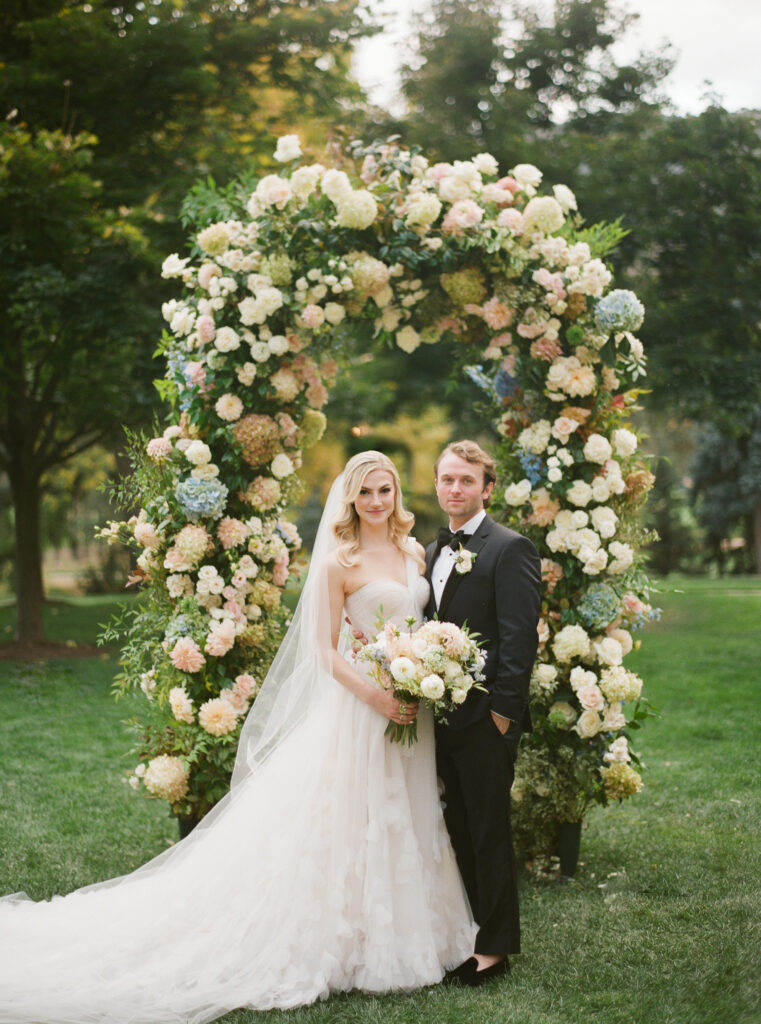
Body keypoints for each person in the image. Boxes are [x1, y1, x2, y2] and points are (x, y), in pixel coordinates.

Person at [0, 451, 475, 1024]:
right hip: (360, 706)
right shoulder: (338, 563)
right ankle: (348, 943)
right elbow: (325, 651)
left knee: (406, 813)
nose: (377, 502)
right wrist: (377, 695)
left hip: (411, 707)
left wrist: (423, 674)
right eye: (366, 492)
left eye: (385, 490)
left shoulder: (412, 551)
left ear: (397, 494)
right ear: (350, 498)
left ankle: (411, 935)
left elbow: (417, 627)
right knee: (356, 817)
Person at [426, 440, 541, 987]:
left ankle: (495, 949)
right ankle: (466, 933)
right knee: (455, 827)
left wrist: (503, 715)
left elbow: (520, 639)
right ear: (437, 484)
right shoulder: (430, 551)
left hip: (485, 719)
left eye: (466, 481)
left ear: (487, 488)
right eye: (448, 479)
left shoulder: (510, 548)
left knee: (488, 830)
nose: (456, 489)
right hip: (439, 718)